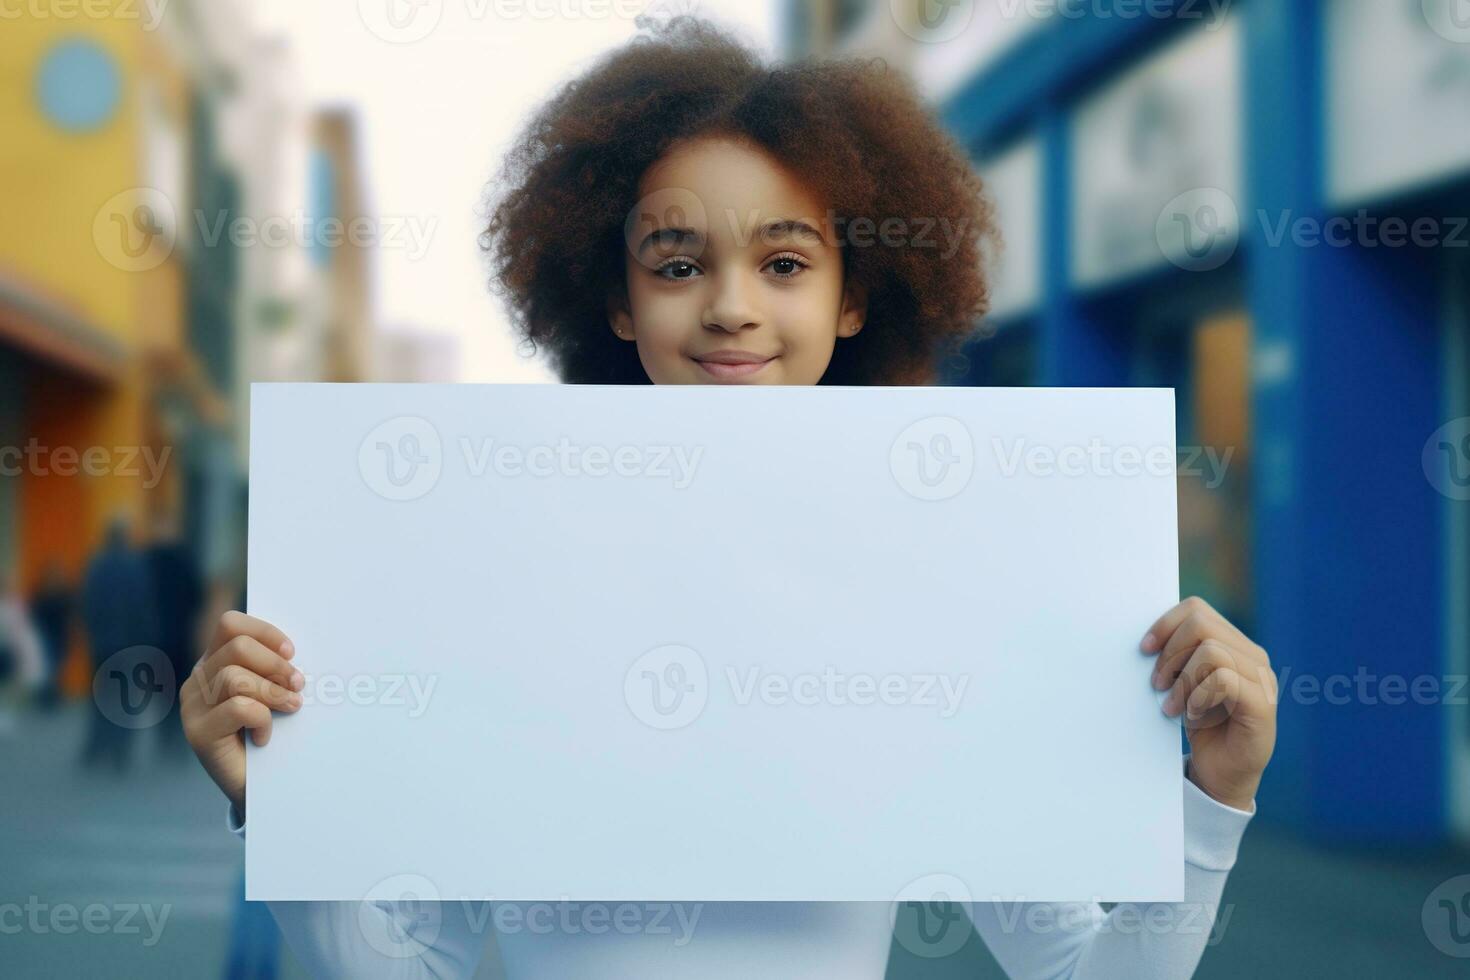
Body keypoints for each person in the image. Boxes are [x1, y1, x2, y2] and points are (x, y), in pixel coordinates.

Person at [182, 17, 1277, 979]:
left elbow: (1085, 969)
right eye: (676, 263)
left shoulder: (935, 594)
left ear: (856, 299)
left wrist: (1214, 797)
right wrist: (277, 802)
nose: (731, 308)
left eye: (787, 264)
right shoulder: (500, 578)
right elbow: (412, 966)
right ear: (614, 296)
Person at [81, 517, 157, 770]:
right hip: (128, 643)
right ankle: (120, 750)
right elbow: (142, 605)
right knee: (126, 695)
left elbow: (89, 603)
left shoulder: (98, 566)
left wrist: (92, 632)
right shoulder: (134, 566)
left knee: (101, 693)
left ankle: (97, 746)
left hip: (102, 642)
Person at [145, 514, 205, 758]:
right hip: (174, 634)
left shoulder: (151, 559)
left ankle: (170, 738)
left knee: (167, 689)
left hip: (164, 635)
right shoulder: (182, 558)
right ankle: (174, 739)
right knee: (172, 688)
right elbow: (196, 595)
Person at [0, 568, 45, 733]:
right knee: (9, 682)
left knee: (13, 682)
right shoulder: (11, 605)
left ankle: (6, 715)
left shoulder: (14, 603)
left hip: (12, 646)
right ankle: (4, 715)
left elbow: (21, 625)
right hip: (7, 646)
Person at [31, 560, 74, 710]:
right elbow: (36, 615)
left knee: (55, 668)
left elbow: (69, 613)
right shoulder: (45, 594)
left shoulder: (61, 593)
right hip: (48, 637)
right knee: (50, 668)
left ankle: (51, 696)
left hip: (58, 636)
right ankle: (48, 697)